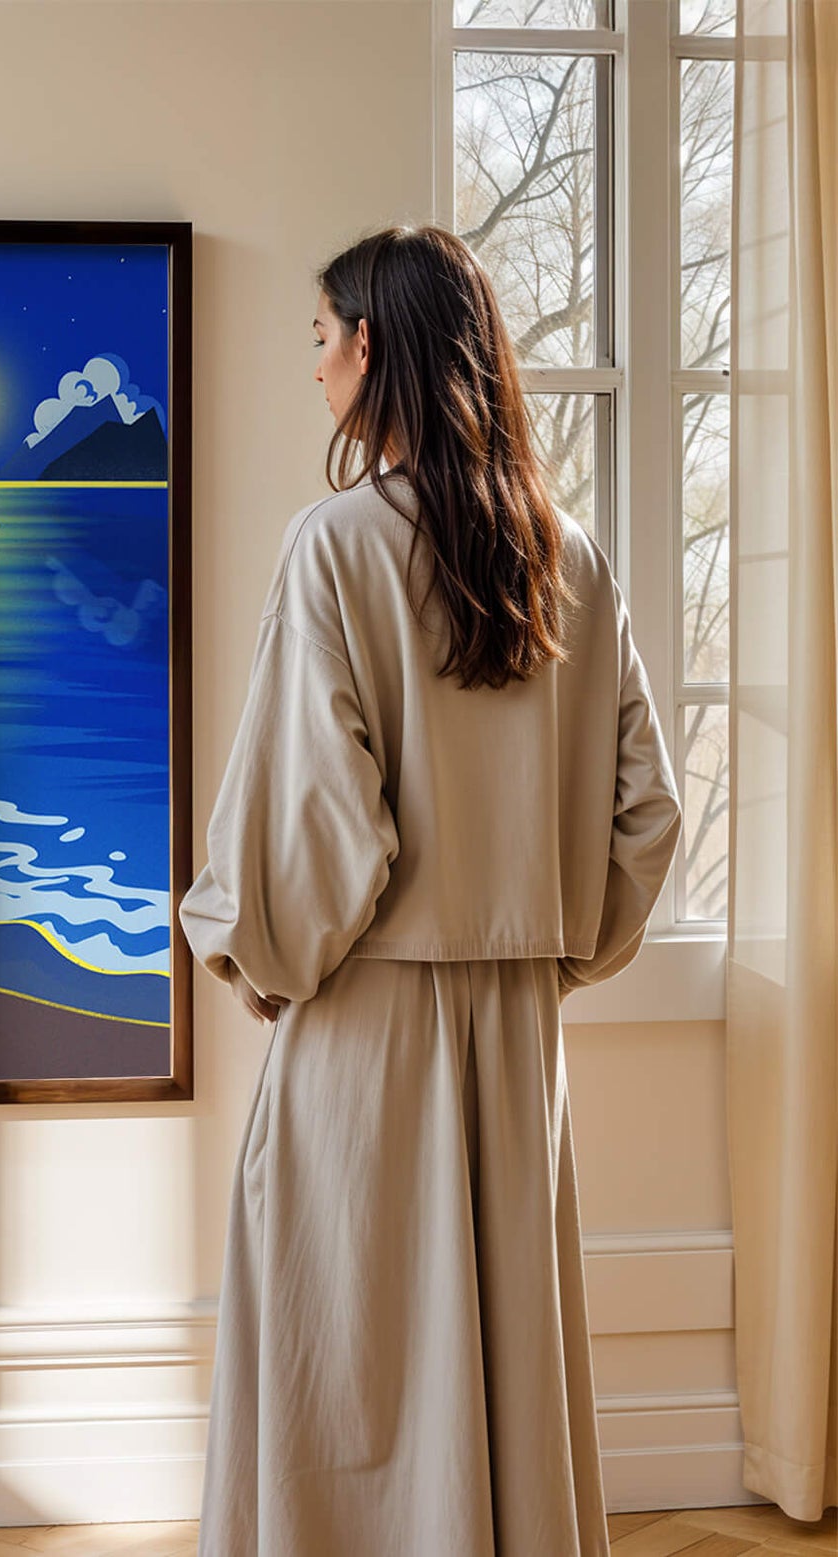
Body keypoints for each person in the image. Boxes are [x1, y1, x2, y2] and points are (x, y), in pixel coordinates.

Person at [179, 223, 681, 1556]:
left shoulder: (334, 547)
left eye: (320, 337)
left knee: (336, 1373)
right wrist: (545, 947)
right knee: (500, 1372)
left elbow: (309, 820)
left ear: (370, 348)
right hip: (513, 1037)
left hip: (365, 1032)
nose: (313, 366)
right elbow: (648, 811)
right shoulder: (564, 552)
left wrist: (257, 956)